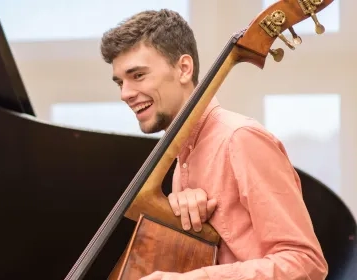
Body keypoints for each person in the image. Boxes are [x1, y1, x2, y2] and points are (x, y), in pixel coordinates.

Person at [100, 9, 328, 280]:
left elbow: (307, 263)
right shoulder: (181, 154)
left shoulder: (241, 139)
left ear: (184, 68)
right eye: (120, 82)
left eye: (137, 75)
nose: (125, 93)